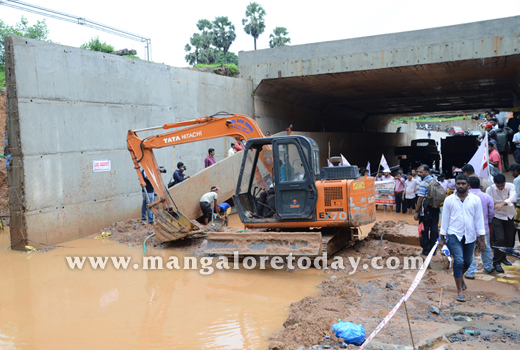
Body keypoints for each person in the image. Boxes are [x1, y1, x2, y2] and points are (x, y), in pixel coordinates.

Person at [440, 174, 486, 302]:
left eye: (463, 183)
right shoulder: (449, 200)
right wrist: (442, 237)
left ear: (468, 185)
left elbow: (479, 219)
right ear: (455, 185)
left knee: (468, 262)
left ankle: (460, 278)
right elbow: (445, 219)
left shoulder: (475, 200)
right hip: (454, 234)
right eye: (458, 183)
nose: (461, 186)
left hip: (470, 235)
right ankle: (459, 290)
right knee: (458, 261)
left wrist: (482, 238)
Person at [465, 176, 495, 278]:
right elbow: (491, 213)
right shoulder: (486, 196)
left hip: (468, 228)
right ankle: (488, 267)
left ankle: (470, 272)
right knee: (486, 248)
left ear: (468, 185)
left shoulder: (465, 197)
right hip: (483, 228)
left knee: (469, 250)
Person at [486, 173, 516, 273]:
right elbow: (488, 201)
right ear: (494, 183)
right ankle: (496, 262)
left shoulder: (511, 186)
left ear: (505, 182)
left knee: (509, 239)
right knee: (500, 238)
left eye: (502, 185)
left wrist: (503, 203)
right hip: (497, 216)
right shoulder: (490, 189)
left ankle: (503, 257)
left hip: (509, 215)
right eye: (498, 186)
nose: (500, 188)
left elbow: (513, 198)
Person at [415, 164, 440, 256]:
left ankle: (426, 250)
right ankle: (433, 250)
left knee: (423, 229)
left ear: (426, 172)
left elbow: (420, 198)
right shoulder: (435, 180)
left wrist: (416, 211)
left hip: (426, 209)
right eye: (418, 172)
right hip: (435, 208)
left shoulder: (424, 183)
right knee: (434, 229)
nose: (419, 174)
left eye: (421, 172)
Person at [512, 164, 520, 245]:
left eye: (512, 172)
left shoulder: (516, 180)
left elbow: (516, 195)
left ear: (516, 171)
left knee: (516, 226)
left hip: (518, 206)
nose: (511, 174)